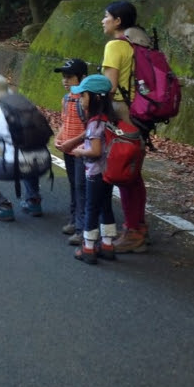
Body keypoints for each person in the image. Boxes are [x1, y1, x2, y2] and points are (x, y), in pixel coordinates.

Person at [100, 0, 149, 253]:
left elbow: (109, 87)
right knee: (133, 172)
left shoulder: (115, 46)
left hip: (122, 114)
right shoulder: (139, 44)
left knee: (123, 173)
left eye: (106, 16)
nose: (103, 20)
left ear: (118, 21)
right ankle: (137, 227)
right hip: (140, 113)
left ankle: (133, 231)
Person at [0, 74, 51, 222]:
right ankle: (33, 201)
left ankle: (1, 206)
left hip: (17, 166)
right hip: (44, 162)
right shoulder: (23, 104)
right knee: (25, 152)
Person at [69, 74, 118, 264]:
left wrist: (81, 151)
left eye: (83, 96)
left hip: (95, 173)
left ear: (96, 98)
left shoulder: (94, 123)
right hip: (109, 172)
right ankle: (107, 245)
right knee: (106, 206)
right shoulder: (110, 119)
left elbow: (95, 150)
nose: (80, 100)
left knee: (91, 207)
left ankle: (88, 247)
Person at [52, 58, 88, 245]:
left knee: (82, 189)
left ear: (82, 77)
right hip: (68, 150)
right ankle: (74, 220)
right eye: (63, 77)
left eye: (69, 77)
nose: (65, 81)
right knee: (74, 186)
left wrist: (70, 143)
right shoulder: (66, 99)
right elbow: (65, 122)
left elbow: (91, 129)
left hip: (82, 152)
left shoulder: (86, 100)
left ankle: (83, 229)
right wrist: (59, 137)